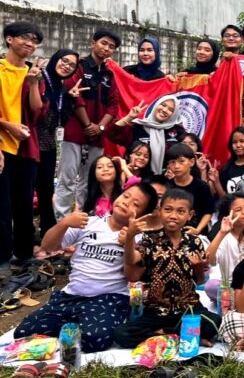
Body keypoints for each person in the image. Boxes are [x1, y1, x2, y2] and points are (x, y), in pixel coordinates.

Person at [15, 183, 158, 352]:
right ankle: (78, 321)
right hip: (71, 295)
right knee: (23, 333)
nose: (126, 202)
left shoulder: (141, 239)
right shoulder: (88, 222)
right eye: (126, 196)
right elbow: (48, 246)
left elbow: (132, 276)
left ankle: (84, 322)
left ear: (142, 215)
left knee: (96, 338)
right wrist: (64, 223)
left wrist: (129, 241)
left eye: (136, 204)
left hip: (107, 298)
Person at [115, 188, 221, 348]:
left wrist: (199, 268)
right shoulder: (150, 240)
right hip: (156, 311)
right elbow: (131, 259)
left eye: (181, 211)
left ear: (190, 215)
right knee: (121, 334)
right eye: (168, 210)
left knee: (214, 322)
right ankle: (182, 334)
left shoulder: (195, 242)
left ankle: (162, 334)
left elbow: (199, 281)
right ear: (160, 211)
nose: (173, 216)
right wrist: (130, 236)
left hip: (188, 308)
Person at [54, 27, 120, 219]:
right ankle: (62, 221)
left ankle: (84, 219)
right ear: (93, 43)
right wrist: (87, 125)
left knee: (90, 179)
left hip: (97, 137)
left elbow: (113, 105)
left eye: (111, 46)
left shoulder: (109, 75)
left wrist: (100, 127)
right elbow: (76, 97)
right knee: (67, 178)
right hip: (74, 133)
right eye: (103, 43)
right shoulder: (79, 67)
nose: (106, 48)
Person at [0, 21, 45, 269]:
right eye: (25, 38)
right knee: (2, 207)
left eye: (35, 41)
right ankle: (3, 260)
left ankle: (25, 255)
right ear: (9, 39)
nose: (30, 44)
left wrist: (34, 83)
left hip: (27, 148)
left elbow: (37, 112)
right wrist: (8, 125)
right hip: (2, 147)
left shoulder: (33, 72)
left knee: (24, 204)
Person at [36, 48, 79, 239]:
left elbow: (63, 119)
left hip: (49, 146)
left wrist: (70, 99)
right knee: (24, 191)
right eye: (64, 60)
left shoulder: (62, 89)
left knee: (46, 191)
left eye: (72, 65)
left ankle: (47, 233)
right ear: (55, 59)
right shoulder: (39, 78)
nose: (67, 66)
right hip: (29, 143)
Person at [106, 95, 185, 175]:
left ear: (174, 114)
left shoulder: (178, 131)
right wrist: (129, 117)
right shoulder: (138, 126)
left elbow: (184, 155)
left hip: (165, 178)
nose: (165, 110)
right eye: (163, 105)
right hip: (135, 176)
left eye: (171, 110)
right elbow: (111, 133)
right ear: (156, 105)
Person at [204, 192, 244, 299]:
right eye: (238, 210)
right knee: (211, 286)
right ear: (228, 215)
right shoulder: (225, 238)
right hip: (231, 286)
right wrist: (222, 233)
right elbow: (209, 259)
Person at [165, 143, 214, 237]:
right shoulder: (167, 186)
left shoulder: (201, 186)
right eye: (172, 162)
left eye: (181, 161)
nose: (176, 166)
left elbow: (208, 212)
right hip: (171, 233)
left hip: (197, 233)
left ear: (191, 162)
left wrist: (197, 230)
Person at [211, 126, 244, 205]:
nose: (238, 145)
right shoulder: (226, 169)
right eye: (234, 142)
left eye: (242, 141)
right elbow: (225, 199)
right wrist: (216, 182)